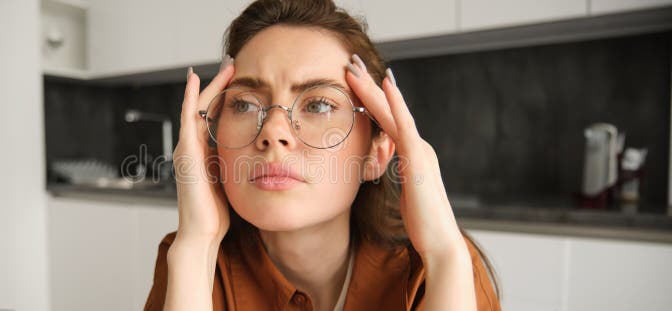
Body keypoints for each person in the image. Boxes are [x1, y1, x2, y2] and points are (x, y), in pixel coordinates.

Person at [145, 0, 501, 310]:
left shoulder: (436, 268)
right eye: (244, 104)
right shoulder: (189, 255)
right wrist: (196, 250)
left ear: (377, 153)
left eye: (317, 104)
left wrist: (444, 255)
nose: (273, 132)